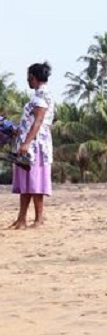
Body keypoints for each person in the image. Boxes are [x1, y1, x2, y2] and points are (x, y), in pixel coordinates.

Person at [8, 62, 55, 230]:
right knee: (26, 182)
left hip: (36, 146)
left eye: (28, 76)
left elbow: (39, 121)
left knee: (35, 181)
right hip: (30, 143)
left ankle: (38, 218)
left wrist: (27, 142)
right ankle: (21, 219)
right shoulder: (38, 95)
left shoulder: (41, 96)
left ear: (33, 77)